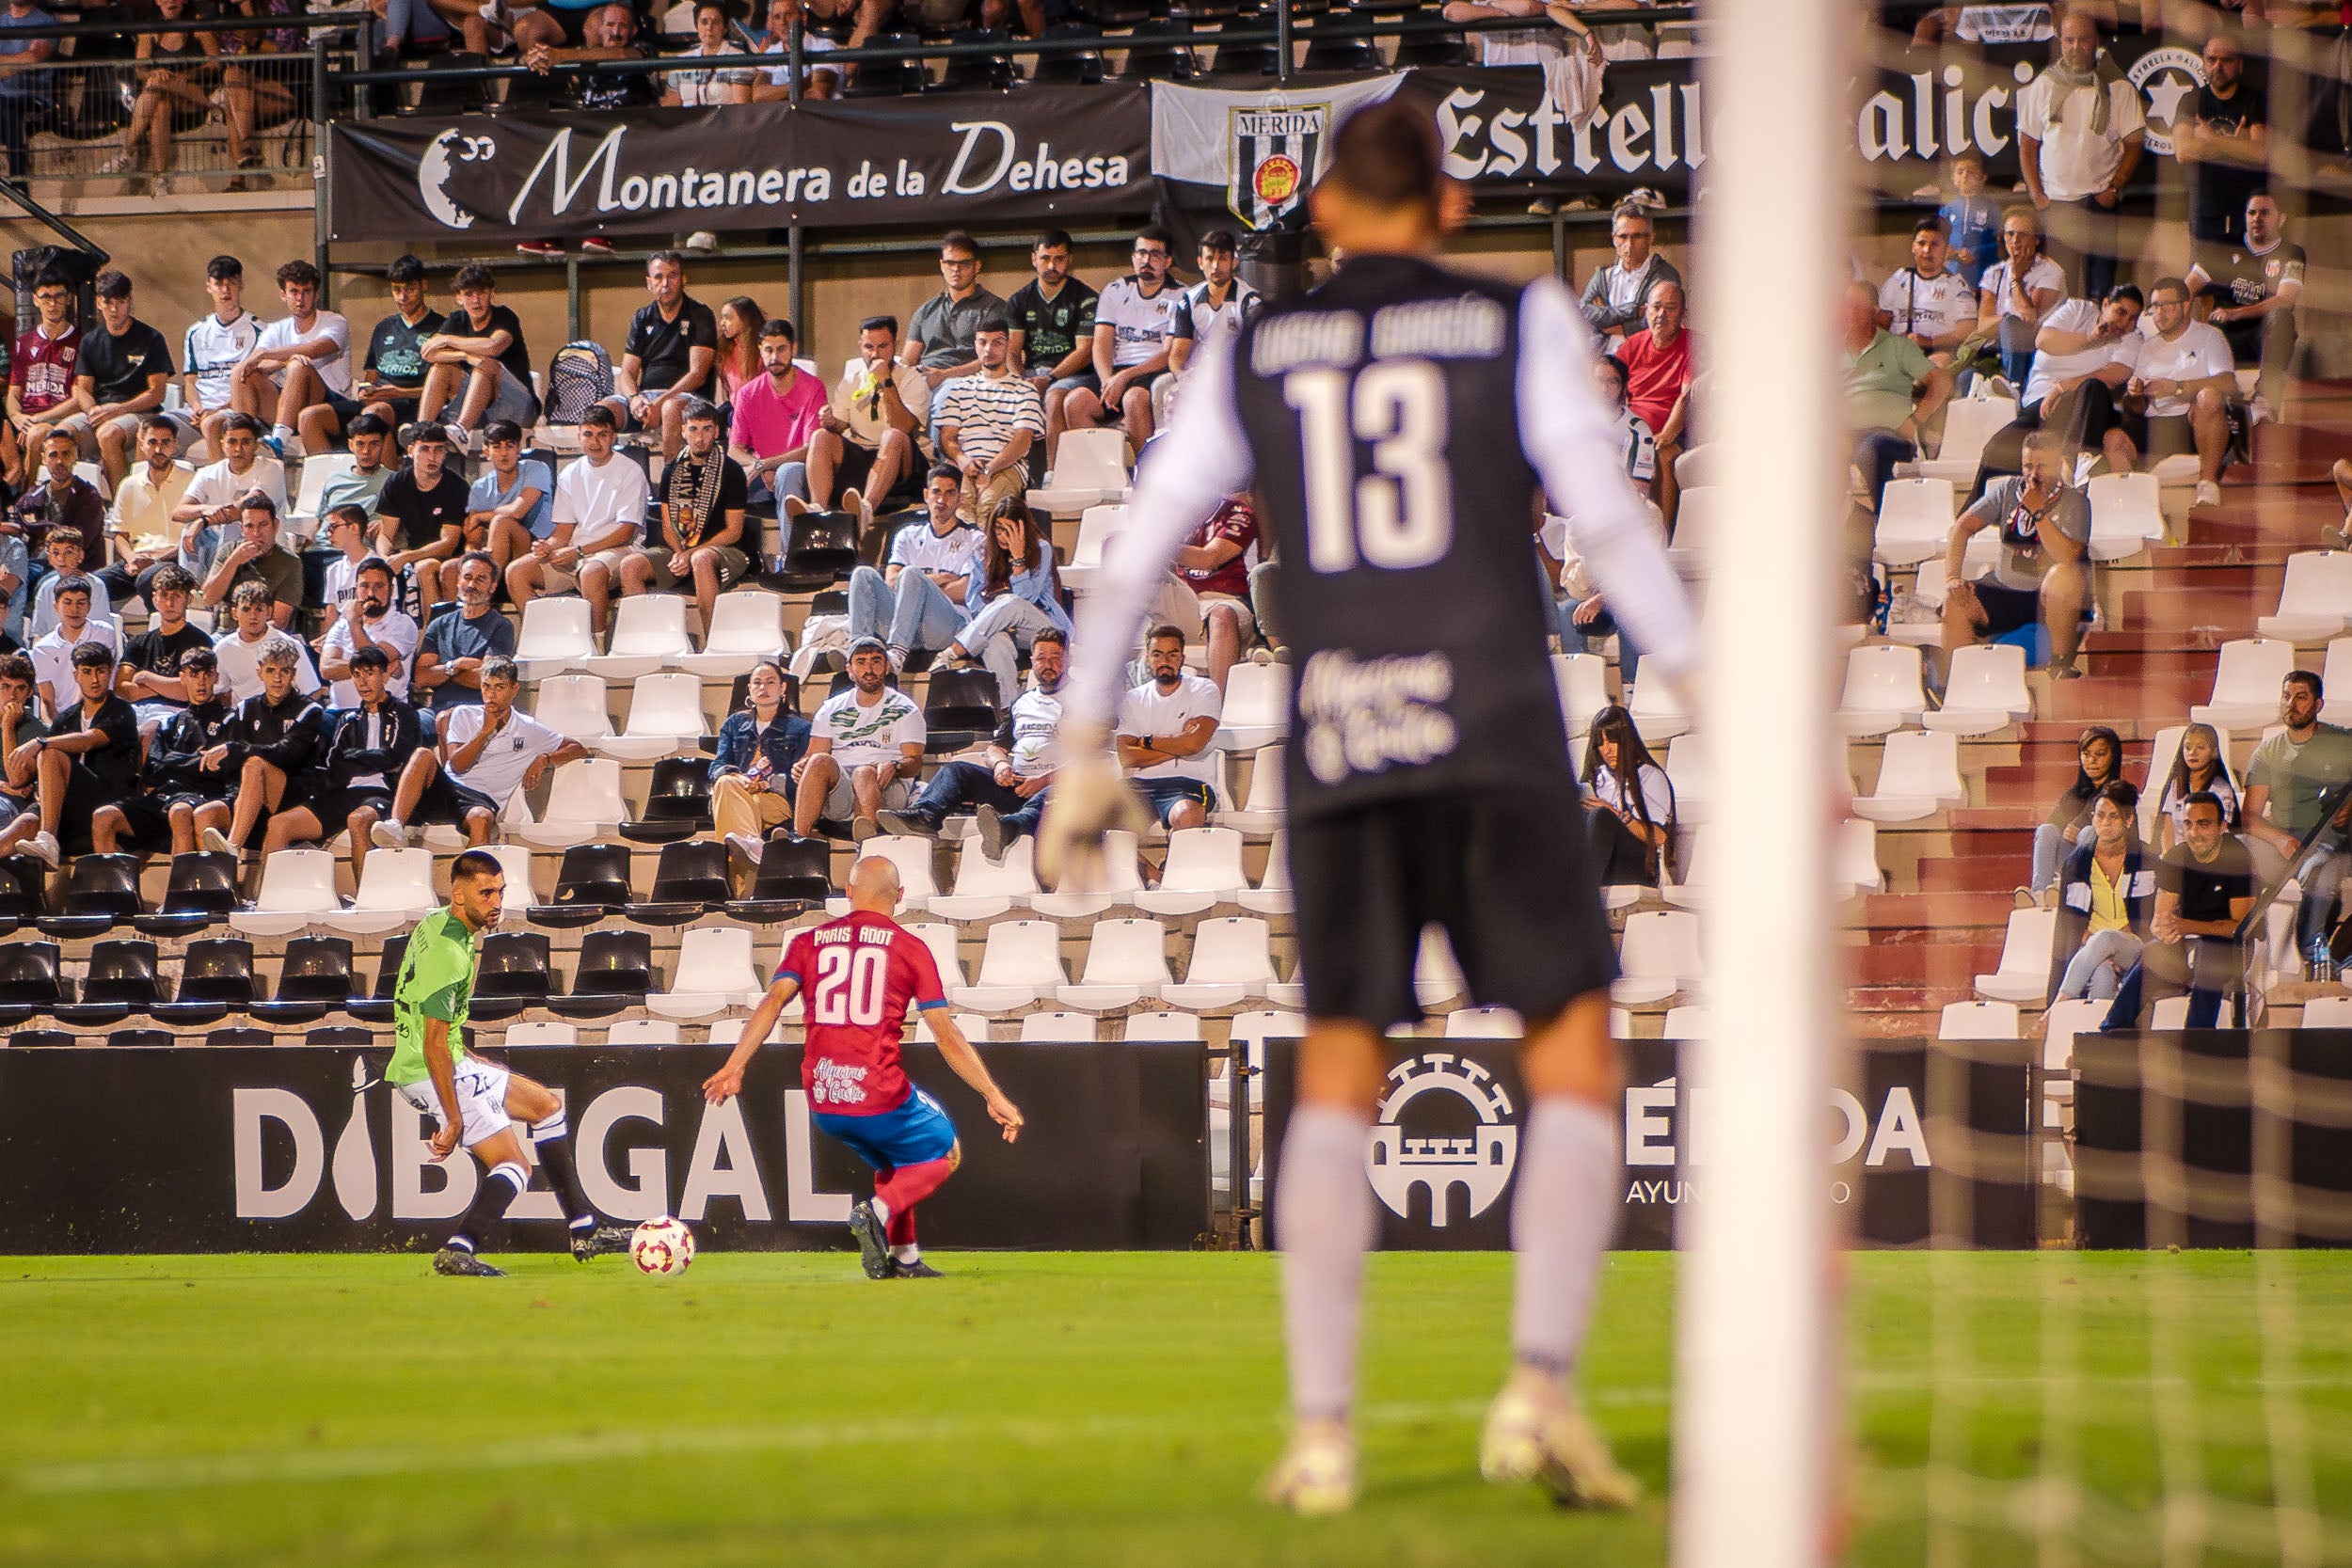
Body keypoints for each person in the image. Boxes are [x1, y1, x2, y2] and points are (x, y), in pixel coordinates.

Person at [1044, 100, 1697, 1514]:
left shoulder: (1258, 346)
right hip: (1497, 727)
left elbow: (1142, 534)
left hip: (1341, 735)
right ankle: (1538, 1388)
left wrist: (1089, 723)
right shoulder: (1512, 319)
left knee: (1340, 1068)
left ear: (1326, 214)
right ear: (1451, 209)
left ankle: (1324, 1433)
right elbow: (1607, 513)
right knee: (1573, 1050)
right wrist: (1706, 675)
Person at [703, 853, 1023, 1279]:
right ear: (900, 897)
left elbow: (773, 1001)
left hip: (825, 1098)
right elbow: (946, 1034)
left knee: (895, 1165)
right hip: (877, 1093)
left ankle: (905, 1258)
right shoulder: (911, 950)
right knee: (946, 1151)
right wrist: (992, 1094)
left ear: (848, 892)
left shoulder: (807, 942)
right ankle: (875, 1212)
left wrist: (735, 1066)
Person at [389, 849, 635, 1276]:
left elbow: (436, 1030)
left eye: (500, 891)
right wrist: (451, 1120)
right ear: (459, 894)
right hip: (428, 1069)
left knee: (546, 1107)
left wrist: (476, 1061)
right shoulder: (451, 953)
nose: (496, 902)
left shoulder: (437, 923)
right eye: (486, 893)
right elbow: (433, 1043)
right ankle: (458, 1250)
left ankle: (584, 1228)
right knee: (513, 1165)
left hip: (444, 1059)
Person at [878, 626, 1063, 859]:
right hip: (1017, 786)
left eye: (1056, 658)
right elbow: (996, 747)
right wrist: (1000, 766)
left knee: (1060, 788)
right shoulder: (1023, 702)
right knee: (957, 770)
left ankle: (1011, 826)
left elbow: (1093, 760)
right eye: (1042, 658)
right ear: (1033, 662)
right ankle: (924, 816)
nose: (1049, 664)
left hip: (1056, 791)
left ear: (1067, 660)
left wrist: (1043, 780)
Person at [376, 656, 584, 849]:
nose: (491, 694)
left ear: (514, 689)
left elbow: (578, 748)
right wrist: (484, 731)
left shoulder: (528, 728)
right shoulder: (464, 714)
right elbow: (457, 766)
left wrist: (545, 758)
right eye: (486, 686)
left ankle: (472, 882)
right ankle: (395, 825)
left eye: (499, 687)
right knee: (423, 754)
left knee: (481, 819)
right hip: (449, 788)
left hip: (482, 799)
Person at [1940, 429, 2090, 682]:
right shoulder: (2008, 490)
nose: (2033, 474)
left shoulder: (2076, 502)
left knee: (2063, 576)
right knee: (1955, 600)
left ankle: (2060, 667)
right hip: (2003, 589)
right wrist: (1952, 577)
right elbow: (1962, 527)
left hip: (2045, 598)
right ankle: (1955, 684)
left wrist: (2038, 512)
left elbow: (2067, 555)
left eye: (2042, 466)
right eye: (2028, 466)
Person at [260, 643, 430, 865]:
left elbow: (394, 758)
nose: (362, 682)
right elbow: (333, 765)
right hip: (344, 793)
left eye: (369, 674)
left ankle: (365, 897)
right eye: (357, 675)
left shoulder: (404, 713)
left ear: (385, 675)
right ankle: (265, 896)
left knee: (358, 820)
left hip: (384, 792)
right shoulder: (348, 720)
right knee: (279, 823)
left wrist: (354, 757)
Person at [2017, 9, 2143, 305]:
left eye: (2083, 40)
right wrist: (2037, 195)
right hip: (2058, 202)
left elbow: (2135, 143)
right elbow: (2027, 145)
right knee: (2060, 289)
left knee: (2102, 290)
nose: (2076, 47)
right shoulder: (2044, 84)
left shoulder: (2118, 85)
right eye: (2069, 40)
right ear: (2060, 41)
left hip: (2099, 201)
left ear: (2096, 40)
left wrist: (2114, 188)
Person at [2099, 792, 2254, 1031]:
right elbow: (2162, 918)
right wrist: (2163, 929)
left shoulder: (2237, 857)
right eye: (2188, 825)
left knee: (2210, 954)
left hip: (2231, 950)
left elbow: (2239, 927)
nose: (2194, 833)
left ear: (2222, 826)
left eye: (2203, 824)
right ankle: (2111, 1032)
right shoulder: (2176, 857)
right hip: (2186, 946)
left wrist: (2186, 926)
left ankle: (2196, 1040)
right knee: (2153, 953)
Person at [1977, 285, 2143, 494]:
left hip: (2083, 408)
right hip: (2040, 404)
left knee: (2093, 388)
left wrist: (2062, 387)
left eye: (2133, 318)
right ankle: (1969, 513)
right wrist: (2091, 339)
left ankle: (2076, 464)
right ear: (2106, 304)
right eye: (2121, 312)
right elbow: (2043, 340)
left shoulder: (2132, 338)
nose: (2125, 323)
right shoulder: (2078, 310)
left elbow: (2115, 375)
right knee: (1997, 447)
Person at [511, 405, 645, 634]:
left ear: (613, 437)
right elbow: (563, 531)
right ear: (579, 436)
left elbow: (626, 532)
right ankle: (546, 636)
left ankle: (596, 644)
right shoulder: (569, 473)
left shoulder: (630, 471)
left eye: (602, 435)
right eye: (588, 434)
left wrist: (579, 551)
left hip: (617, 549)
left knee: (591, 572)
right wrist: (547, 546)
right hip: (577, 552)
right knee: (516, 571)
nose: (595, 442)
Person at [0, 641, 135, 866]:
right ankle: (46, 838)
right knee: (20, 827)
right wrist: (8, 727)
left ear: (111, 672)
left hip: (106, 800)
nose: (94, 679)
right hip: (66, 805)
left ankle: (47, 839)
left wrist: (39, 742)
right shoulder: (65, 719)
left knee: (50, 752)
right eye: (87, 672)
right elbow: (17, 779)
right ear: (75, 676)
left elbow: (89, 740)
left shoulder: (120, 710)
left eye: (100, 671)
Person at [2240, 670, 2352, 942]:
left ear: (2318, 705)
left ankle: (2313, 948)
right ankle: (2246, 930)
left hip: (2329, 843)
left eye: (2301, 697)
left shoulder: (2342, 742)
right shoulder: (2267, 752)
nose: (2291, 704)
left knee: (2319, 869)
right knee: (2232, 850)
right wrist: (2279, 839)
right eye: (2286, 696)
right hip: (2284, 843)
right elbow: (2250, 817)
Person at [91, 644, 232, 856]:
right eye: (194, 675)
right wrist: (197, 760)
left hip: (203, 798)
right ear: (182, 678)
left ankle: (181, 888)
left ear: (216, 677)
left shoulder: (230, 720)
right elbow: (153, 771)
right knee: (104, 817)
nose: (201, 682)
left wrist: (172, 761)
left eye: (207, 674)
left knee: (180, 811)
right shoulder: (169, 723)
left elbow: (221, 768)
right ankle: (112, 888)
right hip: (163, 798)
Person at [623, 398, 749, 632]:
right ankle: (643, 640)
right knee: (630, 565)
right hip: (681, 548)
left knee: (701, 560)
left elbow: (733, 531)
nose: (700, 437)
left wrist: (691, 554)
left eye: (706, 429)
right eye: (693, 429)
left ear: (717, 431)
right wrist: (680, 554)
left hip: (724, 551)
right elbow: (668, 525)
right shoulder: (672, 469)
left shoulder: (731, 471)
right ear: (683, 431)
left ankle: (713, 641)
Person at [842, 466, 977, 674]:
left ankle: (896, 655)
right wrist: (935, 580)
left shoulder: (974, 538)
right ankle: (858, 654)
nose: (942, 499)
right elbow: (892, 582)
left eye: (950, 493)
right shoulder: (907, 534)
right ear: (926, 495)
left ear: (959, 498)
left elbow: (965, 591)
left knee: (911, 574)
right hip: (903, 622)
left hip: (945, 626)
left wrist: (917, 586)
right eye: (936, 492)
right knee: (863, 574)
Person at [1062, 227, 1186, 453]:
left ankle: (1145, 475)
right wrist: (1107, 381)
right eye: (1141, 253)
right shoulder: (1115, 290)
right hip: (1115, 371)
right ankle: (1100, 477)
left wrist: (1125, 377)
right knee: (1075, 401)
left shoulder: (1180, 296)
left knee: (1133, 398)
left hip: (1151, 371)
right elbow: (1100, 344)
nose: (1146, 260)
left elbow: (1168, 355)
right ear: (1133, 257)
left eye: (1155, 254)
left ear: (1168, 261)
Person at [197, 633, 322, 857]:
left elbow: (287, 754)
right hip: (250, 794)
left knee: (255, 764)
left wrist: (234, 750)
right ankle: (218, 888)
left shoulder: (309, 711)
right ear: (260, 673)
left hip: (293, 793)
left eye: (284, 671)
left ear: (293, 674)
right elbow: (233, 762)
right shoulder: (247, 708)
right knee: (205, 815)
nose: (278, 678)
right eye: (271, 670)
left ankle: (233, 846)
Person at [2118, 277, 2236, 510]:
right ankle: (2127, 507)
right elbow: (2137, 409)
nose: (2159, 313)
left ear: (2185, 306)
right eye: (2155, 307)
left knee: (2209, 396)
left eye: (2166, 305)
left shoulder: (2209, 337)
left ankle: (2207, 484)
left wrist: (2178, 387)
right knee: (2114, 437)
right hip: (2154, 424)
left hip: (2192, 421)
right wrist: (2135, 394)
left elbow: (2228, 383)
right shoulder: (2148, 347)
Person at [942, 495, 1070, 708]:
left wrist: (1019, 560)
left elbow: (1027, 598)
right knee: (995, 642)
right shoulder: (983, 552)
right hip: (1003, 628)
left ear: (1022, 528)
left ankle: (957, 649)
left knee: (1011, 602)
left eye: (1009, 529)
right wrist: (998, 619)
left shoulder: (1041, 548)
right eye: (998, 529)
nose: (1002, 536)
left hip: (1041, 626)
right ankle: (1009, 711)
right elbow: (973, 603)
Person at [793, 637, 924, 842]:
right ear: (850, 670)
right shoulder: (831, 708)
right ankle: (799, 841)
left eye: (876, 661)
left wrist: (895, 766)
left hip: (887, 785)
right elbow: (812, 754)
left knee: (864, 773)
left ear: (887, 667)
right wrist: (801, 765)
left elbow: (915, 762)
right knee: (818, 761)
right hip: (841, 789)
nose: (869, 669)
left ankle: (868, 843)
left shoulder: (906, 709)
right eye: (861, 662)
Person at [308, 253, 442, 451]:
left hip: (412, 406)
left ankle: (385, 480)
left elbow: (445, 391)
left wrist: (398, 393)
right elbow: (371, 375)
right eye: (397, 290)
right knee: (310, 417)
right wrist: (367, 390)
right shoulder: (383, 327)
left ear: (424, 285)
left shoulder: (442, 327)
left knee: (376, 413)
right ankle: (332, 477)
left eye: (410, 289)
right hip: (376, 401)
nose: (403, 297)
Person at [596, 250, 718, 464]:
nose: (665, 283)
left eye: (672, 276)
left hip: (688, 398)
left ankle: (670, 487)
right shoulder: (642, 317)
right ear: (649, 283)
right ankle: (613, 485)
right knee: (601, 412)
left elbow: (698, 374)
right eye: (659, 277)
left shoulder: (700, 314)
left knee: (671, 409)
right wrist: (635, 399)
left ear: (683, 280)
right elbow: (628, 372)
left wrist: (661, 403)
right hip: (647, 399)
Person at [2185, 191, 2301, 415]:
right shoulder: (2224, 246)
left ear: (2281, 218)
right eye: (2252, 212)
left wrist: (2238, 312)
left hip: (2262, 334)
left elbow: (2286, 299)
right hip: (2224, 334)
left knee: (2281, 317)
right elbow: (2187, 288)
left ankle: (2265, 399)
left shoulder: (2292, 253)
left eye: (2265, 213)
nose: (2257, 218)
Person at [1844, 279, 1952, 515]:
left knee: (1871, 448)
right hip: (1844, 434)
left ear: (1873, 312)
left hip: (1888, 435)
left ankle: (1886, 522)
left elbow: (1941, 383)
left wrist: (1914, 421)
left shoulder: (1898, 347)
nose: (1848, 312)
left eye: (1856, 306)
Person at [806, 314, 925, 528]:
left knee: (893, 435)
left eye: (883, 346)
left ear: (895, 346)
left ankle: (866, 510)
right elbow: (841, 425)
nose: (875, 354)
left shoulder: (911, 379)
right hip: (861, 453)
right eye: (869, 347)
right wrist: (831, 421)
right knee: (820, 436)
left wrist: (886, 382)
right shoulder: (851, 381)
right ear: (860, 346)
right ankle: (818, 513)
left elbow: (905, 426)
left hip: (900, 461)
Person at [60, 268, 176, 485]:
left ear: (129, 301)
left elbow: (156, 393)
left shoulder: (151, 338)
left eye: (120, 302)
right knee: (61, 435)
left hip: (138, 412)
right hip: (101, 411)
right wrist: (93, 409)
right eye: (108, 302)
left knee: (108, 434)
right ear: (98, 303)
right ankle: (74, 503)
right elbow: (82, 388)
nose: (114, 309)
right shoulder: (91, 341)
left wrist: (117, 410)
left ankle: (121, 502)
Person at [232, 260, 352, 462]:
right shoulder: (277, 329)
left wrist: (274, 358)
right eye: (294, 292)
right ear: (283, 294)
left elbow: (315, 349)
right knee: (241, 372)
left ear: (316, 293)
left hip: (331, 403)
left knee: (300, 365)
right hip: (288, 402)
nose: (300, 299)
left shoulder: (335, 322)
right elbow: (255, 363)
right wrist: (277, 360)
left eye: (306, 292)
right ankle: (243, 436)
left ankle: (278, 440)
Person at [2047, 779, 2153, 1004]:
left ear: (2129, 819)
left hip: (2135, 946)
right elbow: (2070, 920)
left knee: (2106, 939)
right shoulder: (2076, 864)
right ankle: (2099, 1035)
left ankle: (2057, 1007)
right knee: (2102, 974)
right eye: (2099, 815)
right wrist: (2093, 946)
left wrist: (2113, 943)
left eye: (2113, 816)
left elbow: (2151, 916)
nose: (2105, 822)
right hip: (2091, 946)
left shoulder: (2147, 860)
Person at [932, 317, 1043, 527]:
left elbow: (1022, 441)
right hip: (966, 464)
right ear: (975, 345)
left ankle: (985, 559)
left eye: (997, 342)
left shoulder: (1024, 390)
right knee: (961, 510)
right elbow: (947, 437)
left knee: (988, 507)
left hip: (1006, 466)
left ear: (1008, 345)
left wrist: (990, 469)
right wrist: (962, 460)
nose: (989, 349)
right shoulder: (960, 389)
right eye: (983, 342)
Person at [1005, 228, 1098, 467]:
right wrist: (1017, 379)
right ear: (1034, 258)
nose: (1051, 265)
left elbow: (1085, 352)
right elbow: (1012, 350)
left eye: (1059, 259)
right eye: (1045, 258)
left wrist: (1050, 377)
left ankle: (1053, 473)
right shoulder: (1018, 300)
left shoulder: (1086, 298)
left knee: (1055, 397)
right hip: (1032, 372)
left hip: (1077, 375)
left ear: (1069, 260)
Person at [417, 262, 537, 446]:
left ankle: (460, 431)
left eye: (481, 292)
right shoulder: (457, 320)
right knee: (441, 367)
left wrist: (448, 340)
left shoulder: (505, 316)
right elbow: (429, 353)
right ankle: (422, 432)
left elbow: (493, 346)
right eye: (468, 294)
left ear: (491, 293)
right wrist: (463, 356)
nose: (476, 300)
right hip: (478, 408)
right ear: (458, 298)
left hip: (516, 405)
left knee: (485, 364)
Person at [1116, 624, 1220, 832]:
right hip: (1138, 784)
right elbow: (1127, 757)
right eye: (1157, 654)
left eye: (1172, 655)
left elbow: (1194, 744)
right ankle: (1147, 867)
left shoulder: (1204, 689)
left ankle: (1170, 865)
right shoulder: (1133, 699)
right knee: (1093, 819)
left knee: (1187, 815)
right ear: (1148, 658)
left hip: (1187, 783)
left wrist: (1146, 742)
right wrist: (1179, 744)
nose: (1164, 661)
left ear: (1182, 657)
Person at [904, 231, 1008, 432]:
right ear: (941, 265)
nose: (956, 269)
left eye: (964, 264)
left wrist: (944, 375)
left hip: (968, 382)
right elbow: (908, 360)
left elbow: (994, 359)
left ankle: (940, 458)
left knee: (947, 396)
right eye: (950, 263)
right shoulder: (926, 310)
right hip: (924, 381)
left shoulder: (994, 308)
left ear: (977, 266)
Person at [710, 657, 810, 864]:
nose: (763, 687)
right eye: (757, 682)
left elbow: (800, 782)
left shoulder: (800, 728)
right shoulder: (733, 724)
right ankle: (754, 849)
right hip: (740, 792)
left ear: (783, 688)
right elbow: (716, 767)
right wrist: (739, 778)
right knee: (727, 782)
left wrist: (766, 784)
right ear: (749, 689)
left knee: (730, 796)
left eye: (770, 682)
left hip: (778, 802)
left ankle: (736, 869)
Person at [172, 416, 288, 592]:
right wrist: (206, 510)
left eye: (246, 442)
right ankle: (192, 590)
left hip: (261, 548)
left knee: (233, 525)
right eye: (232, 442)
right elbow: (179, 512)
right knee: (189, 527)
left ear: (256, 445)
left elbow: (245, 510)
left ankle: (214, 589)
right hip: (217, 549)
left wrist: (203, 521)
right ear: (222, 444)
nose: (238, 449)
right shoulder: (208, 473)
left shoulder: (271, 469)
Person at [1611, 281, 1694, 523]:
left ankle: (1662, 537)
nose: (1661, 315)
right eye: (1656, 307)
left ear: (1683, 313)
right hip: (1631, 430)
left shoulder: (1693, 344)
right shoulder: (1631, 345)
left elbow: (1686, 397)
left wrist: (1666, 433)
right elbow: (1614, 387)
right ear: (1646, 310)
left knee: (1661, 455)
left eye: (1670, 308)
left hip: (1675, 433)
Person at [2175, 28, 2267, 246]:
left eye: (2226, 60)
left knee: (2246, 281)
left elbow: (2261, 153)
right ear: (2204, 63)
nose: (2218, 66)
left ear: (2240, 64)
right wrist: (2238, 144)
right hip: (2205, 211)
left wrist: (2211, 140)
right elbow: (2184, 152)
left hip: (2248, 212)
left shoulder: (2255, 99)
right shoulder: (2191, 100)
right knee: (2202, 278)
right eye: (2211, 59)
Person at [1161, 230, 1263, 426]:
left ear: (1234, 262)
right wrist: (1182, 377)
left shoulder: (1250, 301)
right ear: (1200, 262)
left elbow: (1255, 352)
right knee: (1161, 388)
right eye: (1210, 259)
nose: (1216, 266)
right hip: (1200, 374)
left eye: (1223, 259)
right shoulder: (1188, 301)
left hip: (1238, 374)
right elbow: (1177, 355)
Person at [1168, 494, 1261, 692]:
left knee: (1222, 614)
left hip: (1225, 599)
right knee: (1115, 544)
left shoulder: (1237, 512)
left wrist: (1157, 547)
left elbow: (1209, 558)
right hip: (1183, 598)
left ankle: (1215, 709)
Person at [728, 317, 823, 507]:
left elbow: (810, 449)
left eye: (781, 349)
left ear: (793, 349)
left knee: (787, 473)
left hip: (800, 470)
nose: (774, 357)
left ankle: (789, 539)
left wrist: (767, 464)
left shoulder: (813, 387)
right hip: (761, 472)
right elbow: (734, 450)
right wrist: (760, 466)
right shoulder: (747, 393)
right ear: (760, 350)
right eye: (768, 350)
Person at [373, 422, 470, 608]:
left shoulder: (456, 487)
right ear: (411, 450)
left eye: (439, 450)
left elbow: (448, 544)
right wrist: (386, 558)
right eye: (425, 449)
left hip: (450, 558)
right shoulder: (397, 483)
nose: (432, 457)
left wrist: (406, 557)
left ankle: (430, 630)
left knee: (424, 567)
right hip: (414, 554)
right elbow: (386, 535)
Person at [1973, 206, 2067, 391]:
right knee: (1965, 378)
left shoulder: (2051, 271)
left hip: (2038, 347)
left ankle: (2014, 387)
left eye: (2023, 235)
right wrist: (2009, 316)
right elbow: (1982, 326)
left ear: (2036, 239)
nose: (2015, 241)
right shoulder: (1994, 273)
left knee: (2011, 325)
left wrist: (2015, 278)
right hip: (1999, 349)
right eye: (2010, 234)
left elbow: (2029, 318)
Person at [1580, 703, 1674, 886]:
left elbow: (1660, 838)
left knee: (1602, 816)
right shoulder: (1598, 778)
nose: (1607, 750)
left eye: (1612, 741)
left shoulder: (1650, 776)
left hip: (1638, 864)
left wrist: (1616, 814)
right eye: (1600, 743)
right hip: (1603, 861)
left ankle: (1580, 895)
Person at [2027, 725, 2126, 899]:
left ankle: (2065, 888)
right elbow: (2057, 834)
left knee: (2088, 833)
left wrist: (2080, 829)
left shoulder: (2123, 794)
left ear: (2113, 756)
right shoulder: (2072, 795)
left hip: (2101, 866)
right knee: (2046, 830)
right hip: (2065, 862)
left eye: (2100, 754)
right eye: (2086, 754)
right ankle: (2040, 893)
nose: (2092, 760)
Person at [102, 415, 191, 606]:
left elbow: (195, 534)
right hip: (139, 560)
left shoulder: (192, 482)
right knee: (93, 585)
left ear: (175, 445)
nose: (158, 449)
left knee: (149, 580)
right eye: (152, 442)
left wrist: (156, 560)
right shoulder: (129, 485)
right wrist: (132, 558)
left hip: (174, 560)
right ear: (142, 445)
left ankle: (158, 634)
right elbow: (120, 535)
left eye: (165, 442)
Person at [414, 552, 516, 714]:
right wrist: (457, 665)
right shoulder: (439, 624)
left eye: (480, 579)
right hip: (436, 710)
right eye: (467, 577)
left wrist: (442, 671)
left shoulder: (501, 626)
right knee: (410, 723)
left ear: (493, 586)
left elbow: (487, 679)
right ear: (458, 580)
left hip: (476, 712)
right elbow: (421, 676)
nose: (472, 584)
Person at [183, 255, 262, 455]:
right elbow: (190, 381)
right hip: (198, 412)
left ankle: (221, 485)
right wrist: (197, 406)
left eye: (232, 284)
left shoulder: (258, 330)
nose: (225, 291)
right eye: (218, 284)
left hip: (234, 410)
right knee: (152, 428)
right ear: (208, 287)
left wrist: (215, 411)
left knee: (211, 424)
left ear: (241, 286)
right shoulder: (195, 332)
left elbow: (255, 387)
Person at [115, 562, 211, 724]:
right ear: (155, 599)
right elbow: (121, 689)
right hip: (135, 711)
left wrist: (145, 677)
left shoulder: (200, 642)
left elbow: (190, 691)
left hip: (175, 713)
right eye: (164, 595)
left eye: (177, 596)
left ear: (189, 599)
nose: (170, 603)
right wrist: (164, 688)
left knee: (148, 732)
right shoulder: (139, 641)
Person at [317, 555, 419, 708]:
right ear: (356, 589)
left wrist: (354, 623)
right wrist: (375, 668)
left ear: (391, 589)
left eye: (379, 586)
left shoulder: (403, 624)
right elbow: (326, 670)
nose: (371, 593)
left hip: (387, 712)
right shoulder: (341, 624)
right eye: (364, 586)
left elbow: (372, 659)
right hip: (339, 713)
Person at [1877, 218, 1978, 367]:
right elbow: (1881, 320)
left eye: (1935, 245)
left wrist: (1930, 342)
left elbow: (1967, 330)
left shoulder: (1957, 285)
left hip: (1936, 356)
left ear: (1946, 250)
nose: (1927, 250)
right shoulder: (1898, 279)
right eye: (1921, 243)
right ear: (1913, 247)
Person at [199, 491, 305, 628]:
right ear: (241, 529)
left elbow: (279, 621)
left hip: (265, 635)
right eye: (250, 526)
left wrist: (244, 639)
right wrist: (234, 561)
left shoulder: (290, 563)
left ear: (275, 525)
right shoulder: (229, 552)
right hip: (225, 632)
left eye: (263, 525)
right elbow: (209, 598)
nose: (256, 533)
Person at [8, 266, 80, 465]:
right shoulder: (24, 342)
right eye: (46, 296)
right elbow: (14, 393)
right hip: (27, 420)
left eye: (59, 296)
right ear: (35, 300)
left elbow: (78, 400)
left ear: (68, 299)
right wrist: (16, 417)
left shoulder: (81, 342)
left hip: (58, 418)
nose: (53, 303)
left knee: (36, 435)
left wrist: (36, 420)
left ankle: (30, 494)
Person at [1580, 201, 1682, 341]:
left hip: (1642, 358)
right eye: (1623, 237)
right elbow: (1583, 313)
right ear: (1614, 238)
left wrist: (1608, 324)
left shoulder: (1664, 275)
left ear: (1650, 238)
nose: (1629, 244)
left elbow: (1656, 323)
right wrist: (1632, 311)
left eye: (1637, 236)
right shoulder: (1603, 276)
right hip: (1602, 356)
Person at [209, 578, 321, 704]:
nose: (253, 616)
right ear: (235, 613)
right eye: (246, 610)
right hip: (243, 718)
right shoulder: (223, 649)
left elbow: (312, 691)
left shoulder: (290, 645)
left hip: (284, 716)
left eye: (259, 609)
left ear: (269, 612)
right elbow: (218, 691)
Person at [465, 420, 553, 575]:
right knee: (450, 568)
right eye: (497, 447)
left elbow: (517, 511)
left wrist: (481, 516)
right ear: (486, 451)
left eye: (509, 446)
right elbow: (473, 537)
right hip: (497, 546)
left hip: (537, 545)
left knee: (501, 522)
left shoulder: (537, 469)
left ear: (518, 449)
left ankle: (488, 587)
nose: (504, 453)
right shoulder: (480, 487)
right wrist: (471, 556)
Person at [29, 577, 121, 714]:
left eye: (81, 603)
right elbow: (47, 701)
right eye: (67, 603)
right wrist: (55, 727)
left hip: (100, 712)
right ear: (56, 606)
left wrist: (74, 720)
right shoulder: (42, 649)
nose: (74, 609)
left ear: (89, 606)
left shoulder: (103, 633)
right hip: (62, 720)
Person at [2153, 720, 2239, 855]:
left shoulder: (2221, 789)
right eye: (2188, 747)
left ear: (2214, 752)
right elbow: (2167, 827)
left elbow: (2223, 832)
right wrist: (2169, 857)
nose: (2192, 752)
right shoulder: (2176, 784)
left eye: (2200, 747)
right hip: (2178, 858)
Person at [660, 0, 753, 103]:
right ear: (696, 26)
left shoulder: (738, 59)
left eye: (716, 22)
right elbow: (672, 105)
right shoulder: (681, 61)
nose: (709, 27)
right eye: (704, 22)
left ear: (725, 28)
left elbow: (740, 107)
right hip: (690, 119)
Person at [25, 533, 108, 641]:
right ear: (49, 558)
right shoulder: (46, 588)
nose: (61, 559)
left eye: (68, 552)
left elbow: (101, 631)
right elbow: (39, 633)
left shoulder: (96, 586)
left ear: (80, 555)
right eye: (55, 553)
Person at [1939, 148, 2001, 291]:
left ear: (1982, 178)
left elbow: (2000, 243)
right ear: (1954, 179)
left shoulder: (1992, 209)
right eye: (1960, 172)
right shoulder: (1947, 210)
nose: (1965, 175)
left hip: (1983, 276)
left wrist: (1976, 253)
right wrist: (1952, 253)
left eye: (1971, 171)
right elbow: (1938, 240)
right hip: (1952, 277)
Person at [319, 412, 396, 523]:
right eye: (360, 444)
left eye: (374, 444)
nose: (366, 451)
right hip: (327, 537)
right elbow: (320, 521)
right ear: (351, 445)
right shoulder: (334, 479)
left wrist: (385, 525)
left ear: (383, 445)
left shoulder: (394, 482)